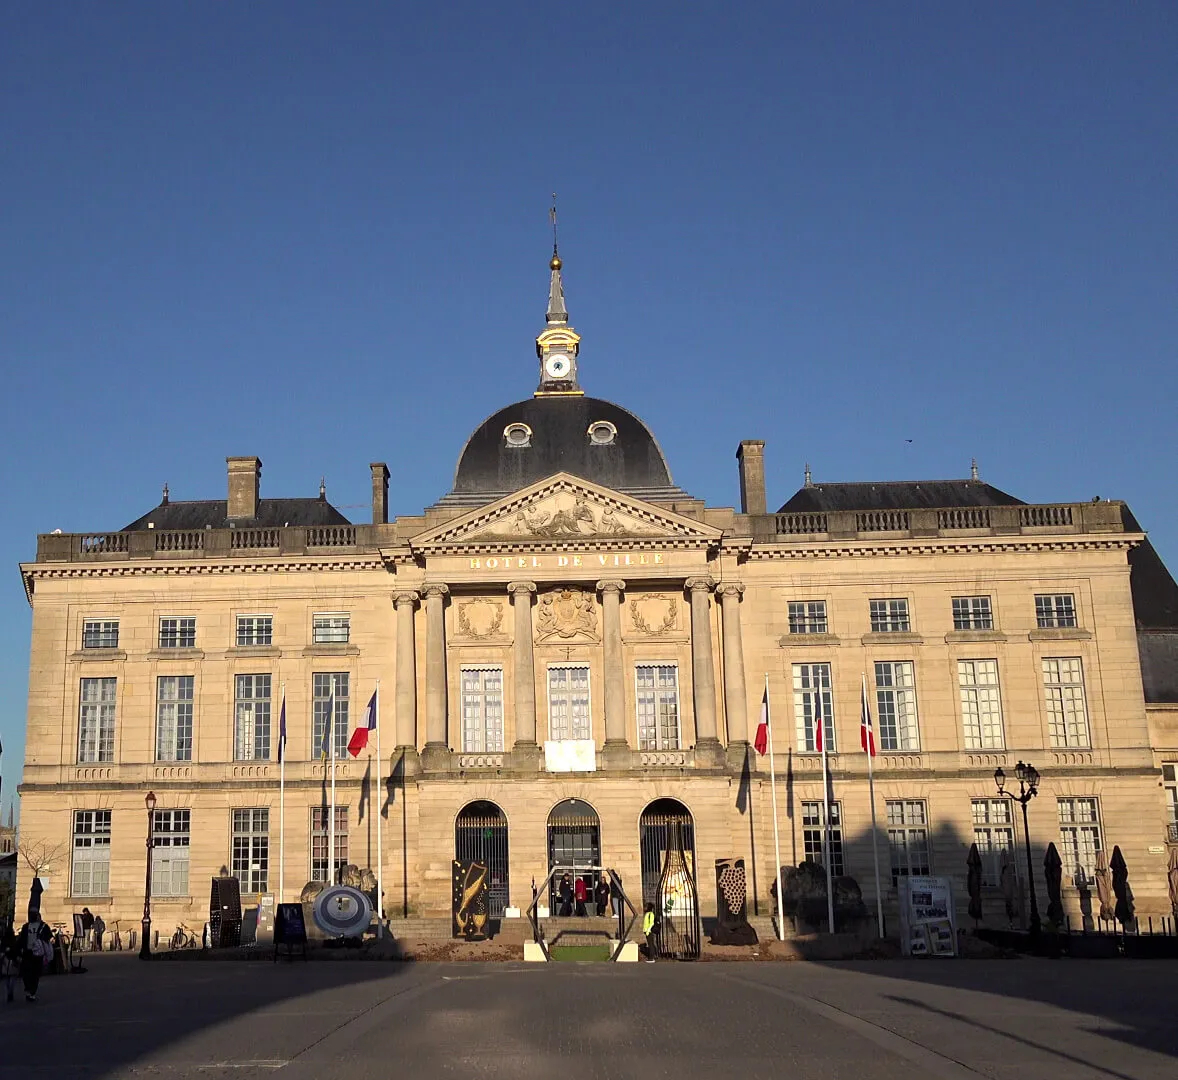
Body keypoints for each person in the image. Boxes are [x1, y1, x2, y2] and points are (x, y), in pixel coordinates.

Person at [16, 909, 53, 1003]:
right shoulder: (43, 926)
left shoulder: (25, 926)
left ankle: (29, 989)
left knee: (26, 972)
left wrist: (18, 952)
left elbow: (21, 940)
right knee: (35, 973)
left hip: (27, 952)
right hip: (38, 953)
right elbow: (48, 938)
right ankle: (32, 992)